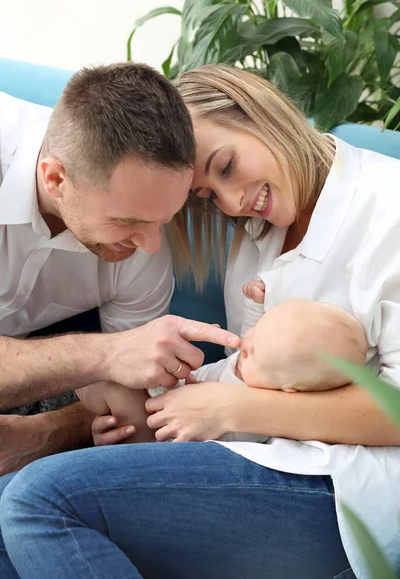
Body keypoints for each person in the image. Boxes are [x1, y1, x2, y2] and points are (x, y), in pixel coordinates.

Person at [2, 64, 400, 579]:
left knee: (39, 500)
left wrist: (237, 407)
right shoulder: (256, 232)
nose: (231, 202)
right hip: (250, 457)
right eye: (208, 195)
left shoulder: (387, 207)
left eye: (226, 165)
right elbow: (235, 369)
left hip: (346, 485)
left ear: (256, 109)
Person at [0, 62, 239, 578]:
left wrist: (51, 430)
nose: (151, 245)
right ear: (54, 177)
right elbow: (114, 361)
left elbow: (129, 407)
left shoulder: (141, 245)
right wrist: (107, 354)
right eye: (128, 222)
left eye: (165, 220)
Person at [77, 298, 367, 443]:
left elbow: (196, 440)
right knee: (109, 375)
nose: (246, 343)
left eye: (253, 354)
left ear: (287, 389)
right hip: (164, 396)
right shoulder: (261, 365)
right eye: (257, 328)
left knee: (106, 383)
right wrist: (254, 306)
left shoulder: (251, 422)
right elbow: (247, 343)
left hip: (158, 436)